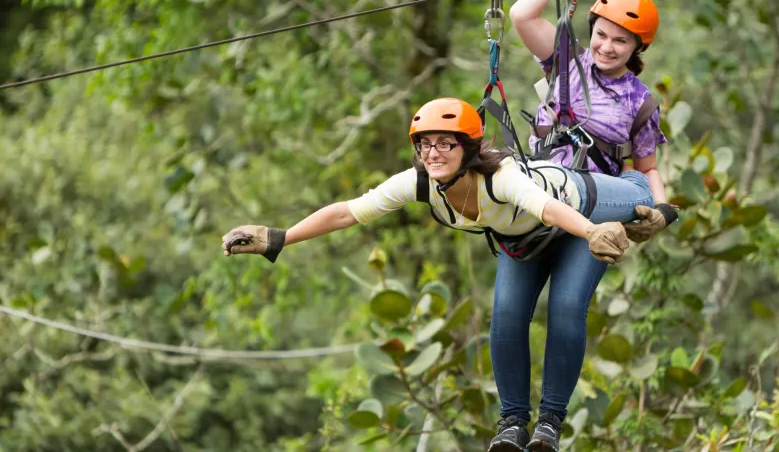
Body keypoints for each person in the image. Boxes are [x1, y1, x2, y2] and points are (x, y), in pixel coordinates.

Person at [221, 98, 675, 452]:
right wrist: (280, 237)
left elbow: (549, 208)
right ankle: (513, 425)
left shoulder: (502, 177)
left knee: (567, 308)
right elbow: (347, 214)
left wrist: (599, 230)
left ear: (469, 148)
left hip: (585, 207)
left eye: (445, 143)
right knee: (507, 317)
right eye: (425, 144)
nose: (432, 153)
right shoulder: (420, 182)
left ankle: (550, 426)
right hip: (526, 242)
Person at [509, 0, 675, 244]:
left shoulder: (640, 101)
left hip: (595, 207)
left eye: (621, 41)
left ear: (637, 46)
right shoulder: (566, 59)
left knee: (569, 296)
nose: (607, 47)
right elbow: (521, 15)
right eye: (601, 35)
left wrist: (661, 210)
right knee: (508, 296)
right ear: (591, 31)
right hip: (540, 193)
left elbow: (646, 168)